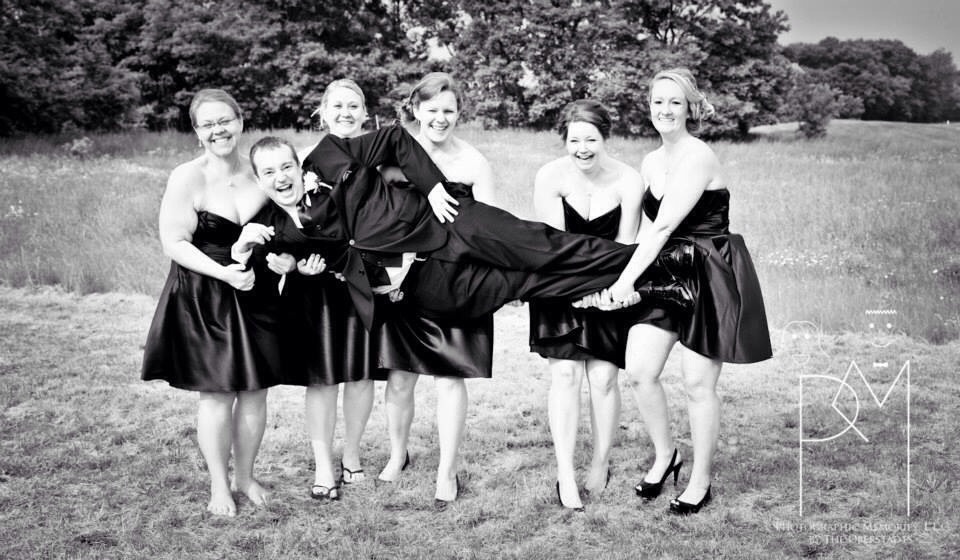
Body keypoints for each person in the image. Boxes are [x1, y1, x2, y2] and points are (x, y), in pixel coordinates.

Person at [581, 68, 772, 515]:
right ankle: (667, 455)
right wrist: (613, 274)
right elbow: (645, 231)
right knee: (640, 369)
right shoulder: (651, 161)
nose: (665, 110)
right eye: (658, 101)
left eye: (674, 102)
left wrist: (625, 283)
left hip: (708, 273)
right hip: (668, 270)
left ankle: (700, 479)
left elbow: (665, 225)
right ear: (648, 106)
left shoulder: (698, 155)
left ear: (690, 109)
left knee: (697, 384)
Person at [141, 88, 296, 516]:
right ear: (196, 132)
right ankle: (218, 486)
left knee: (256, 391)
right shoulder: (187, 177)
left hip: (256, 293)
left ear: (240, 122)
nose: (218, 130)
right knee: (216, 394)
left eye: (225, 121)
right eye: (207, 124)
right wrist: (224, 272)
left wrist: (286, 260)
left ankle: (245, 476)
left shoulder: (259, 171)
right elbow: (174, 242)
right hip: (205, 294)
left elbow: (287, 223)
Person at [374, 73, 499, 506]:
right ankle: (397, 454)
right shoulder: (391, 155)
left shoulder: (474, 162)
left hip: (455, 279)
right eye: (432, 110)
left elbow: (490, 228)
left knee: (449, 378)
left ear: (460, 112)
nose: (440, 118)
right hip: (399, 280)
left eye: (449, 110)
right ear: (415, 109)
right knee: (400, 376)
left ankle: (447, 469)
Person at [529, 99, 644, 511]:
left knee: (604, 378)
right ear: (564, 139)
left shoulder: (629, 180)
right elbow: (556, 247)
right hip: (559, 285)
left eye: (591, 139)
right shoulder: (550, 176)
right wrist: (581, 290)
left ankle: (600, 462)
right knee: (564, 375)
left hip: (610, 290)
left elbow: (626, 247)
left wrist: (608, 292)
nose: (582, 148)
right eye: (574, 140)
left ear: (605, 137)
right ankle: (565, 473)